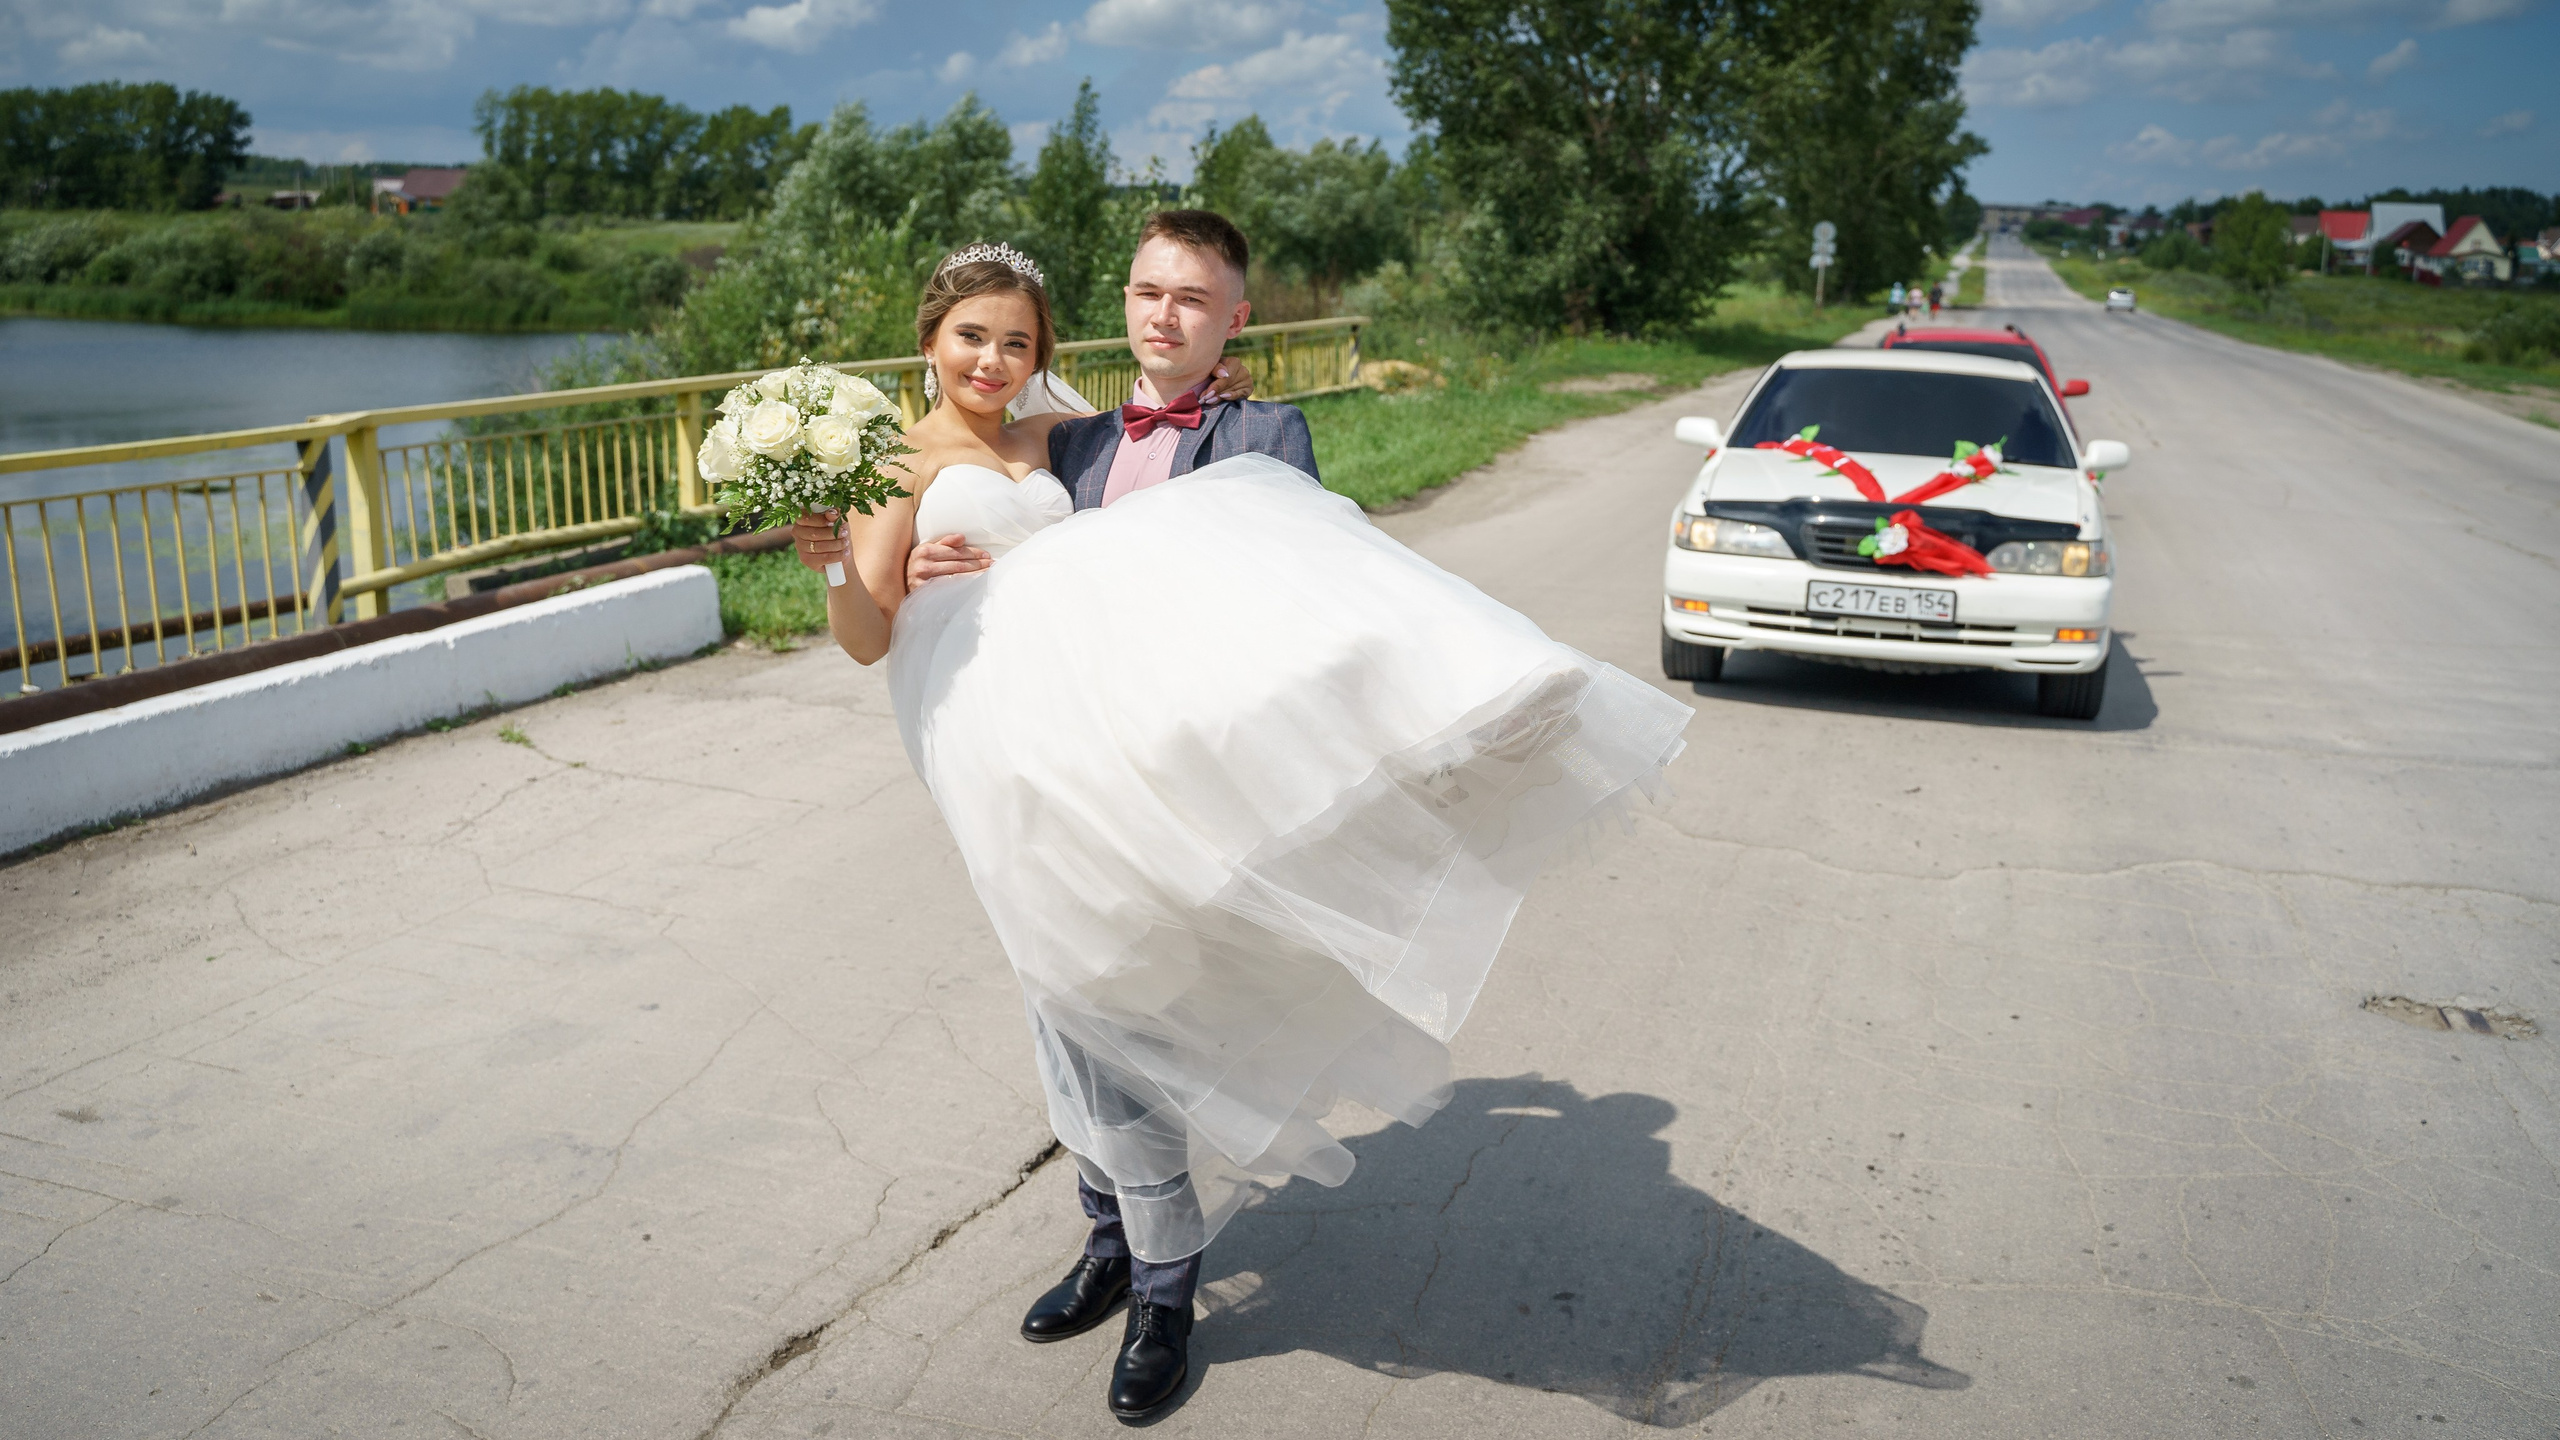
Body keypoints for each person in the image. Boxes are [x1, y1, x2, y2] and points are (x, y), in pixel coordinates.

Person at [791, 219, 1692, 1421]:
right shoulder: (972, 449)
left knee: (1133, 1000)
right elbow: (868, 627)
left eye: (1016, 339)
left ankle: (1156, 1281)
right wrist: (855, 569)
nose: (995, 358)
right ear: (930, 339)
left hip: (1162, 767)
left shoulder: (1106, 429)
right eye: (972, 337)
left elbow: (1298, 587)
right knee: (1069, 998)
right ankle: (1121, 1249)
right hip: (1016, 765)